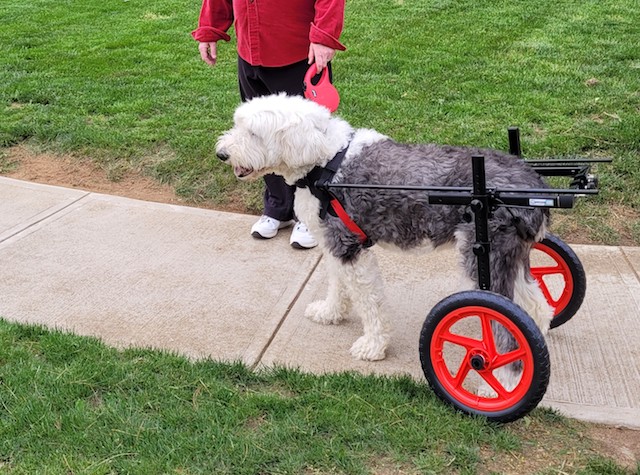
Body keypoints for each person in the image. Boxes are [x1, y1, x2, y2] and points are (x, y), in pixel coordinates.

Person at [192, 0, 346, 249]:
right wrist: (210, 28)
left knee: (302, 143)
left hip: (297, 52)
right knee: (259, 140)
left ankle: (310, 215)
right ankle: (278, 207)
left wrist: (324, 36)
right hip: (250, 53)